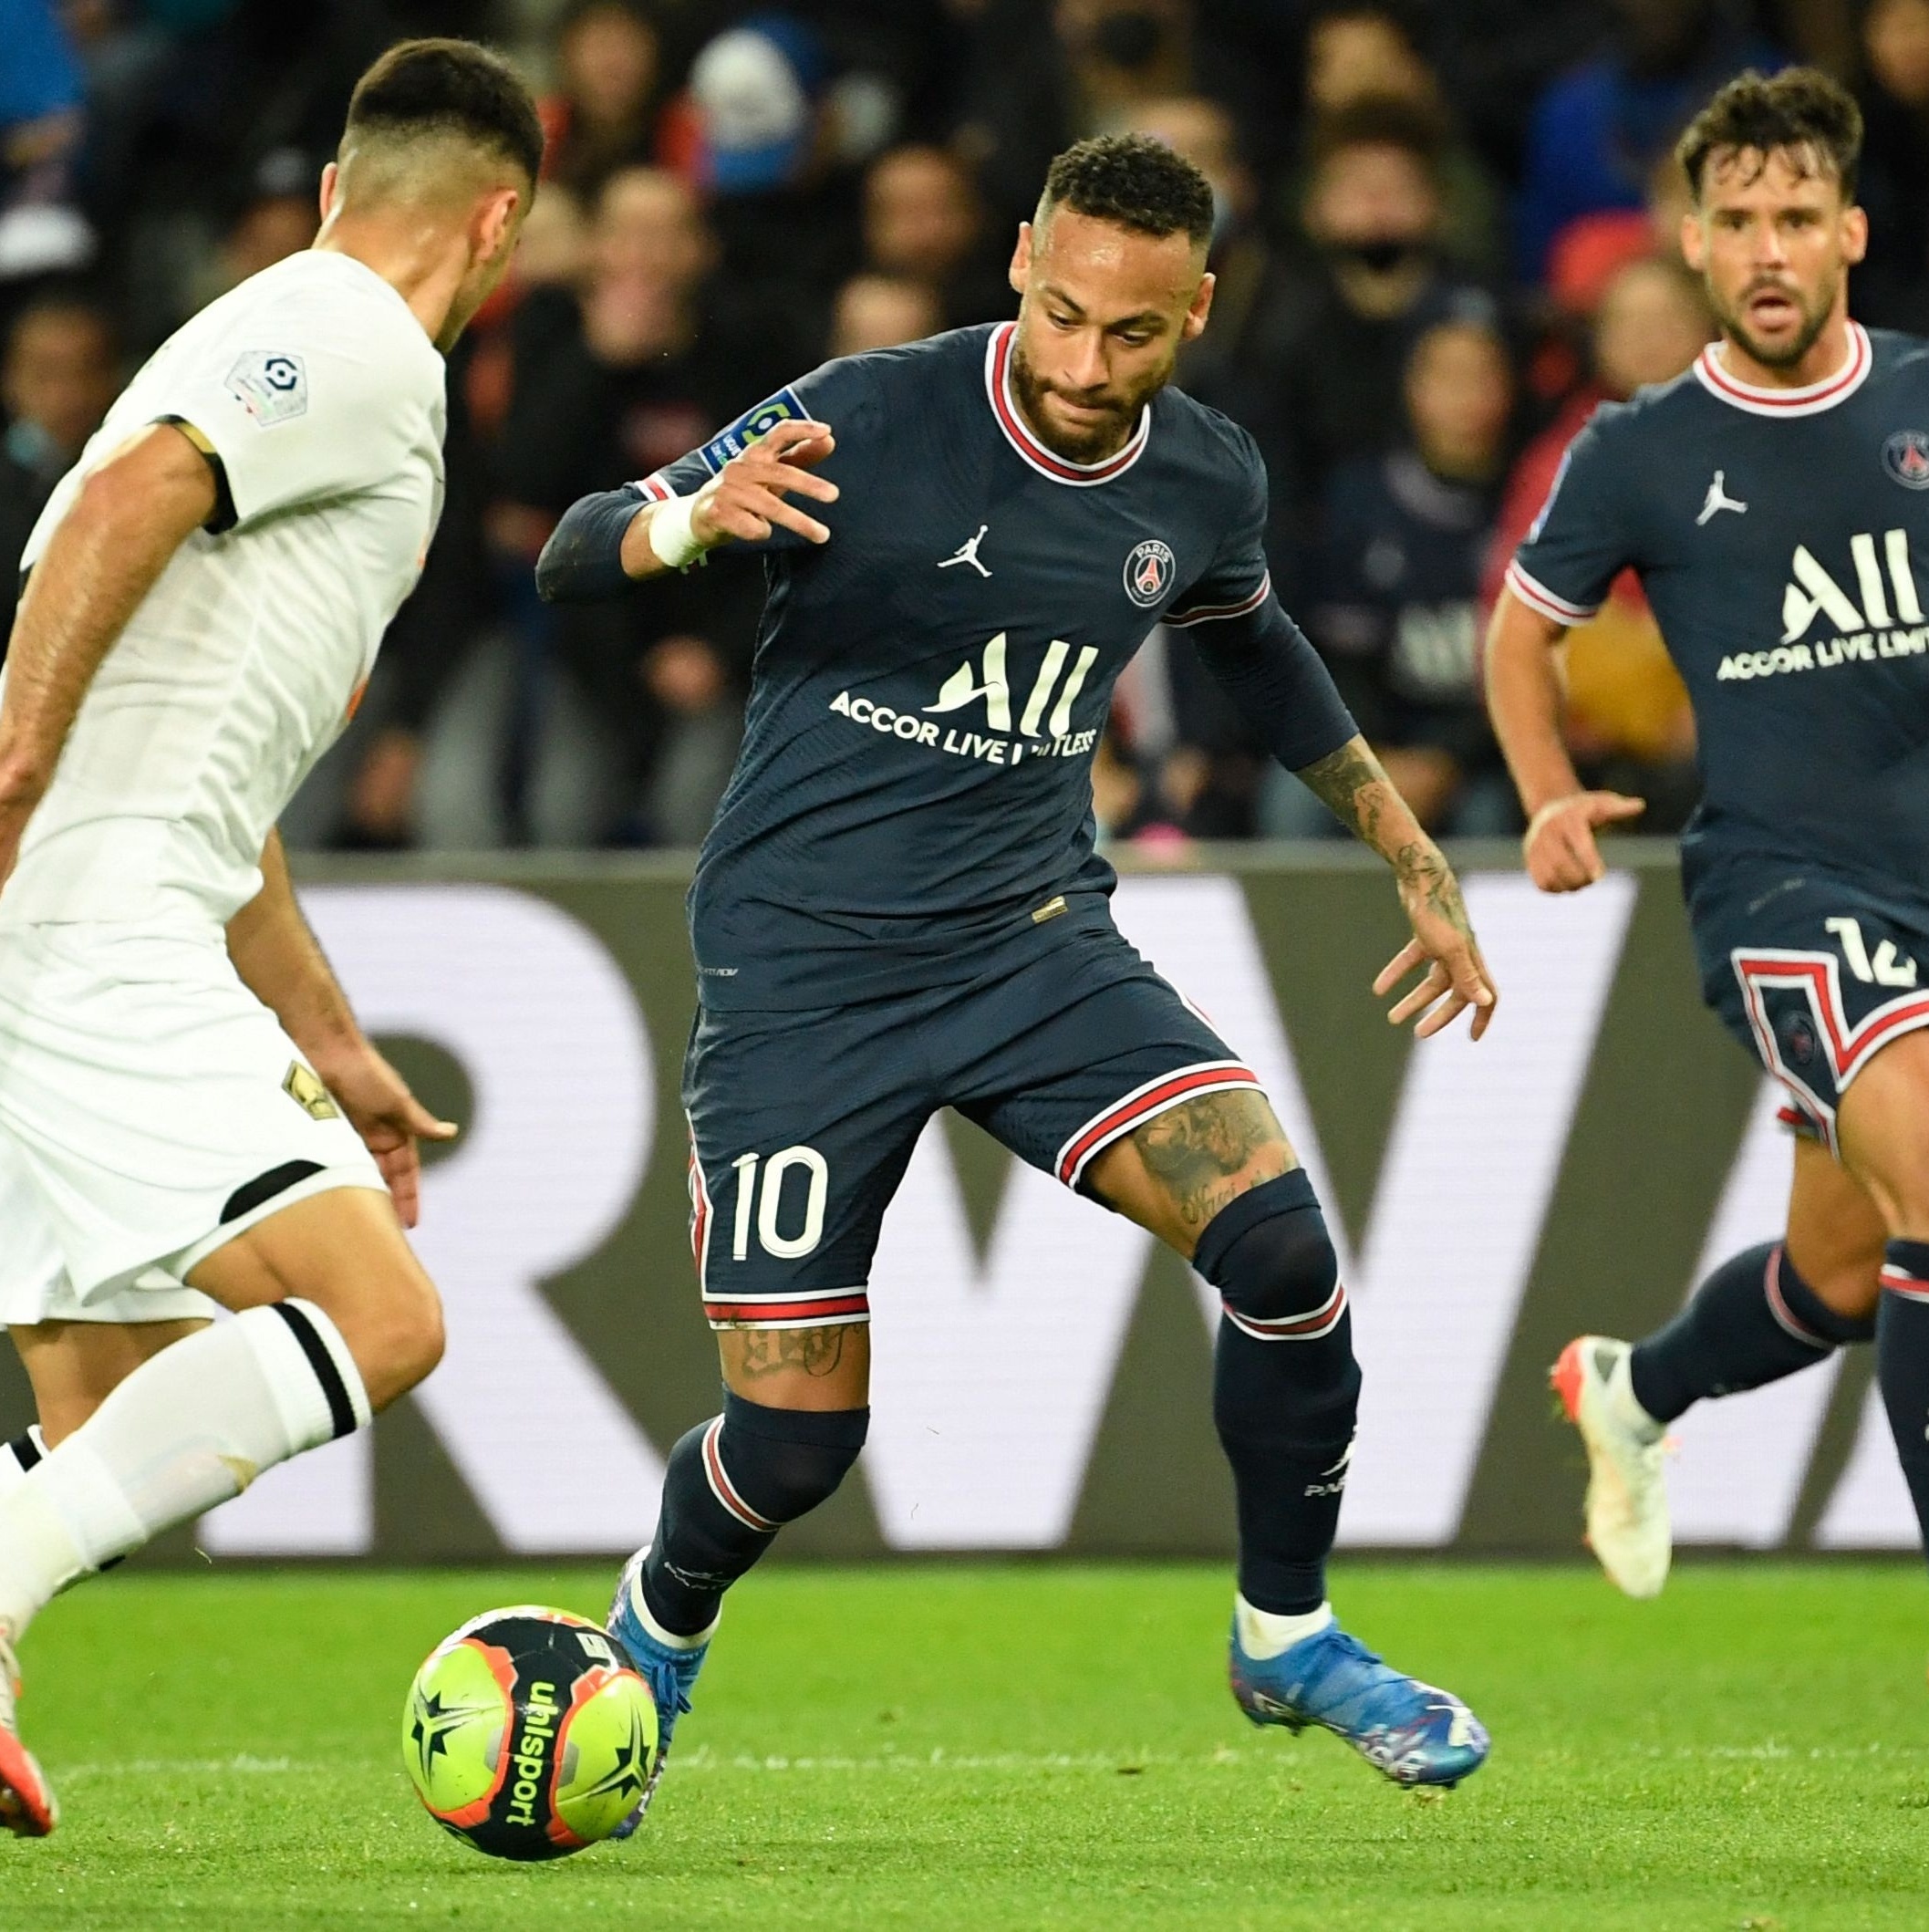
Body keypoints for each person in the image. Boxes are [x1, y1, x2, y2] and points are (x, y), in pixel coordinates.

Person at [539, 132, 1499, 1821]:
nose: (1081, 363)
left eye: (1131, 335)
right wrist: (688, 520)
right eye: (1060, 315)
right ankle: (655, 1632)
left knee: (1281, 1249)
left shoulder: (1204, 475)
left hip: (1026, 941)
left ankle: (1287, 1632)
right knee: (791, 1447)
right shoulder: (870, 410)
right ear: (1019, 265)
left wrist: (1409, 853)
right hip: (803, 971)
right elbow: (573, 546)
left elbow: (1250, 641)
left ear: (1195, 309)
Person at [0, 37, 541, 1835]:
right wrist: (10, 769)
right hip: (84, 915)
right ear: (502, 223)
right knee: (374, 1320)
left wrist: (324, 1032)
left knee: (109, 1413)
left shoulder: (312, 355)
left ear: (330, 185)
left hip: (87, 908)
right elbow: (135, 487)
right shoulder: (354, 334)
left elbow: (223, 769)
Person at [1486, 68, 1929, 1604]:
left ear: (1850, 230)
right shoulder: (1643, 450)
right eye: (1737, 220)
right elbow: (1518, 636)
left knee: (1840, 1274)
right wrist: (1547, 787)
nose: (1768, 249)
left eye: (1796, 216)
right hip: (1783, 886)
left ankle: (1635, 1389)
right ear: (1688, 240)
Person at [0, 289, 117, 640]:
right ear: (11, 379)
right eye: (47, 374)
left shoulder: (135, 477)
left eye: (87, 370)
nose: (71, 394)